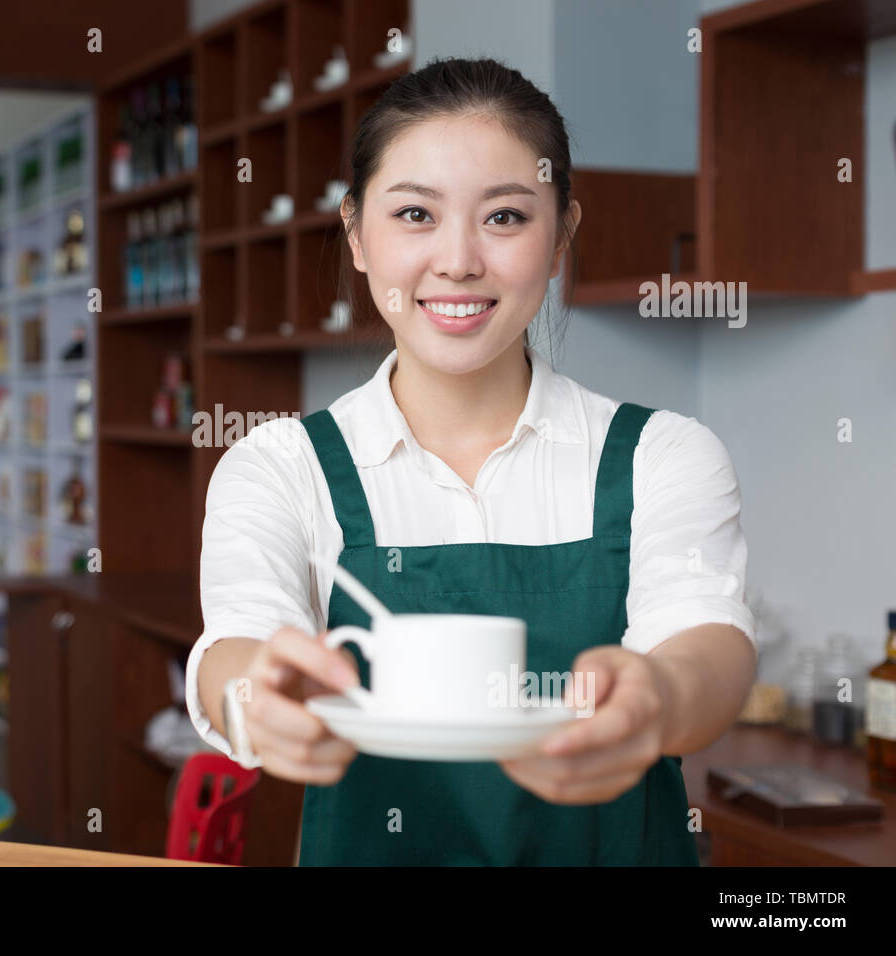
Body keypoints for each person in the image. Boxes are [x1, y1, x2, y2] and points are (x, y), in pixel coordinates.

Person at [185, 57, 756, 865]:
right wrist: (257, 697)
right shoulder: (280, 466)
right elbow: (238, 644)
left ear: (561, 239)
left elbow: (710, 647)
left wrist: (657, 701)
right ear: (356, 235)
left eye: (506, 218)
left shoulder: (664, 454)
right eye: (415, 213)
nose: (457, 261)